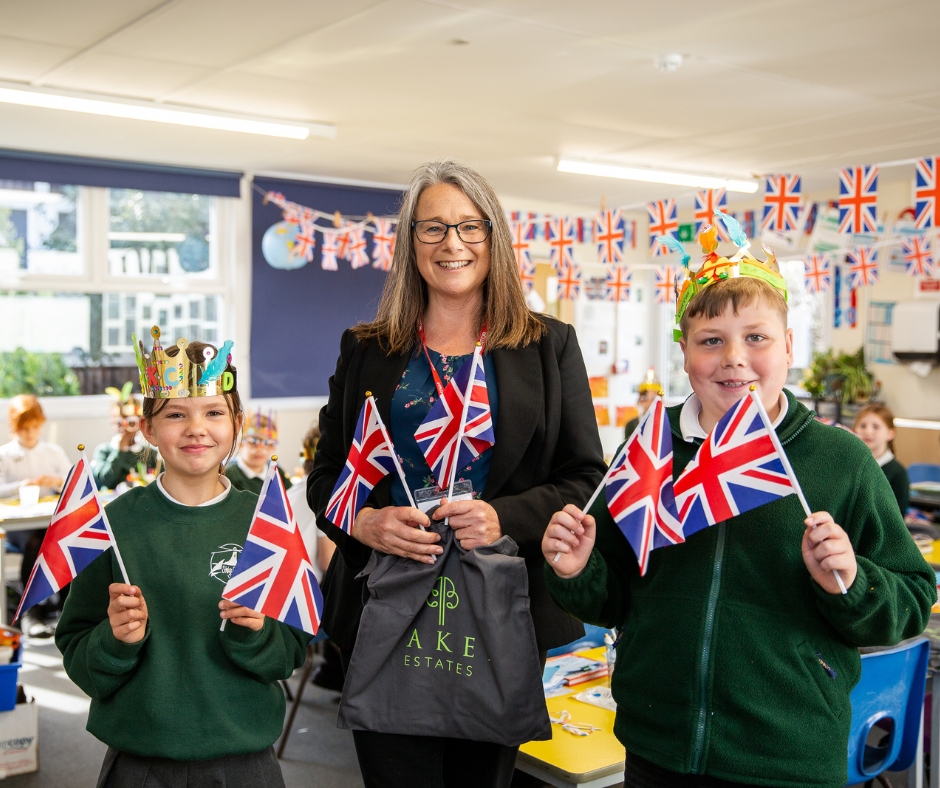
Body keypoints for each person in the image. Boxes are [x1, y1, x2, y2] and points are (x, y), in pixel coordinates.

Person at [542, 223, 935, 788]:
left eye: (757, 338)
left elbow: (911, 598)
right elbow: (616, 597)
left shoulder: (841, 460)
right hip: (659, 747)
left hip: (790, 757)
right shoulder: (649, 451)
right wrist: (578, 569)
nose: (734, 359)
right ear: (684, 351)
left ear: (789, 347)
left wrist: (849, 580)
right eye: (711, 340)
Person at [308, 159, 606, 788]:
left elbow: (585, 479)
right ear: (409, 242)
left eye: (471, 227)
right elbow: (326, 474)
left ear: (494, 239)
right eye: (434, 228)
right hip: (385, 603)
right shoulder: (367, 348)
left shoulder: (548, 346)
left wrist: (505, 515)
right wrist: (363, 521)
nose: (453, 244)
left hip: (502, 610)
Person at [56, 328, 309, 788]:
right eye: (176, 414)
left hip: (244, 761)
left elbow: (291, 650)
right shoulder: (113, 525)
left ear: (236, 422)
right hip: (141, 763)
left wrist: (254, 633)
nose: (196, 428)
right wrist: (115, 641)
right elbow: (76, 647)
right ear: (149, 428)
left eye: (214, 412)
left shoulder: (267, 523)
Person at [0, 394, 72, 638]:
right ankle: (30, 610)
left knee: (62, 536)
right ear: (14, 427)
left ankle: (67, 605)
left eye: (34, 427)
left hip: (47, 521)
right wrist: (22, 485)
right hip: (18, 528)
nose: (30, 433)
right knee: (36, 540)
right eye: (24, 429)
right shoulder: (5, 455)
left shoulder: (53, 452)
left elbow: (73, 483)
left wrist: (57, 481)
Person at [286, 425, 343, 691]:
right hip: (302, 613)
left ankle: (332, 670)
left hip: (278, 602)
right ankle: (340, 674)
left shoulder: (292, 491)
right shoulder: (325, 495)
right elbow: (327, 562)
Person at [854, 403, 909, 515]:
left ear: (890, 433)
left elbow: (898, 516)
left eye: (876, 427)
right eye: (863, 426)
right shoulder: (851, 465)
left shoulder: (897, 472)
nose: (868, 432)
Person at [91, 383, 147, 491]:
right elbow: (105, 481)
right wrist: (120, 450)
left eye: (131, 422)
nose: (125, 428)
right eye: (119, 423)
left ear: (140, 424)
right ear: (113, 424)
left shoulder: (149, 453)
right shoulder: (103, 451)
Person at [224, 409, 292, 494]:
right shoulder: (228, 474)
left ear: (273, 448)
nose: (260, 449)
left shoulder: (276, 473)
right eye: (253, 442)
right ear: (241, 444)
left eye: (266, 444)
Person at [624, 367, 663, 440]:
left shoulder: (666, 424)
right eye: (645, 398)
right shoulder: (631, 425)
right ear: (640, 401)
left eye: (653, 398)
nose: (649, 402)